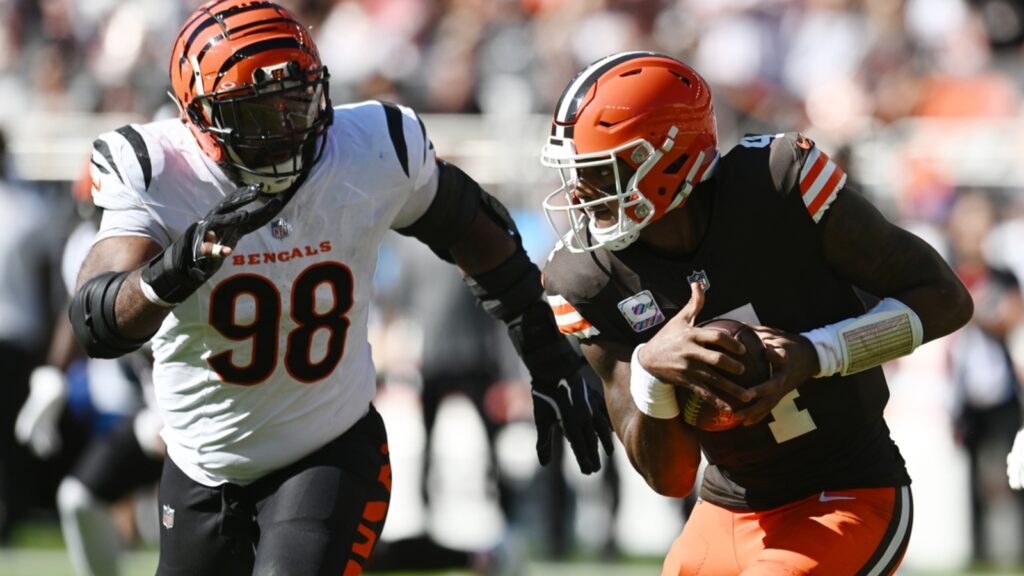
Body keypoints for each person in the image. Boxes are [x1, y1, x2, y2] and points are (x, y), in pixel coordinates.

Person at [68, 2, 613, 574]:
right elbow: (95, 320)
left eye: (295, 101)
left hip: (328, 447)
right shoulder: (159, 171)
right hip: (201, 465)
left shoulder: (370, 148)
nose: (284, 128)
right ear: (198, 120)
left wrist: (546, 351)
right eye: (255, 115)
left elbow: (474, 229)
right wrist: (169, 274)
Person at [537, 51, 973, 575]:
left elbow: (946, 299)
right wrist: (652, 371)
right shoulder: (586, 278)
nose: (582, 194)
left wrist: (819, 353)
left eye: (601, 173)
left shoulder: (778, 185)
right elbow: (669, 478)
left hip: (850, 490)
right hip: (724, 508)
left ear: (667, 159)